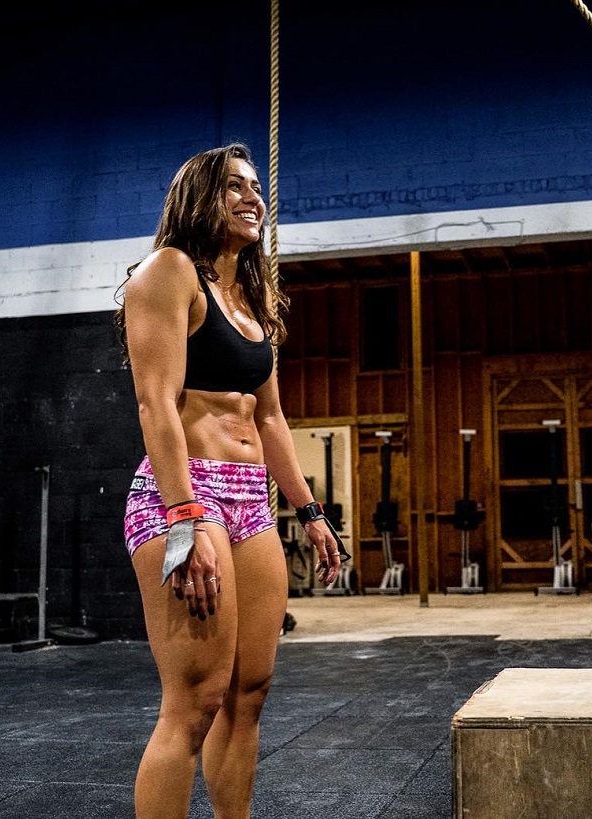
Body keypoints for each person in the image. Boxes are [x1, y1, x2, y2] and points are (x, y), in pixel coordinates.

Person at [114, 142, 348, 819]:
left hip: (250, 501)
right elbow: (154, 402)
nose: (253, 196)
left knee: (250, 691)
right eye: (234, 186)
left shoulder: (254, 298)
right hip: (182, 494)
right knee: (194, 701)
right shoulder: (167, 271)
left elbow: (270, 417)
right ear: (196, 197)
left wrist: (310, 513)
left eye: (257, 186)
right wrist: (184, 514)